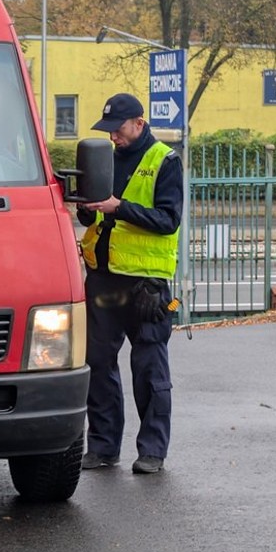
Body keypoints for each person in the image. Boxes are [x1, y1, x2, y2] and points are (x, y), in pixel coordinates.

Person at [76, 93, 183, 475]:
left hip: (145, 286)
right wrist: (87, 209)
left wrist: (118, 207)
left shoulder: (164, 161)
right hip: (103, 278)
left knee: (149, 368)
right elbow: (91, 220)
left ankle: (152, 451)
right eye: (107, 131)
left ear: (139, 123)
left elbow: (168, 219)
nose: (112, 138)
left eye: (117, 129)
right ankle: (103, 448)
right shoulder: (103, 160)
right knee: (99, 364)